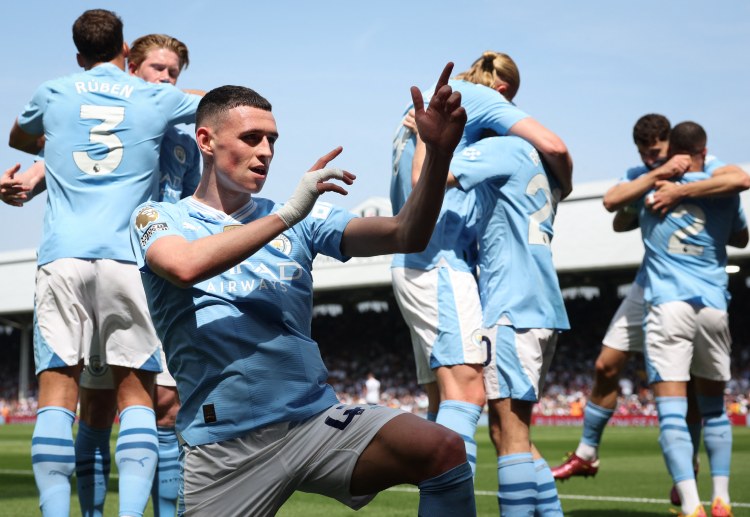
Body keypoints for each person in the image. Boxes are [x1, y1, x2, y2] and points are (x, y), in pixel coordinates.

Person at [130, 64, 477, 516]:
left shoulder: (303, 219)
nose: (266, 151)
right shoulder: (159, 218)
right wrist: (290, 212)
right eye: (251, 138)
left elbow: (406, 234)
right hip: (225, 446)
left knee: (443, 451)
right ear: (206, 141)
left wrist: (439, 154)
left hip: (314, 422)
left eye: (272, 140)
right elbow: (183, 266)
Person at [8, 9, 201, 517]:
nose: (165, 79)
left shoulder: (67, 95)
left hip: (137, 267)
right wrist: (34, 175)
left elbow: (39, 137)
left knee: (163, 406)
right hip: (128, 263)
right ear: (129, 62)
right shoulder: (154, 106)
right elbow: (73, 150)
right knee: (102, 403)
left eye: (174, 74)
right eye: (157, 69)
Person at [390, 51, 572, 476]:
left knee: (444, 402)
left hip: (412, 256)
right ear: (504, 90)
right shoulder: (480, 101)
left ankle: (438, 498)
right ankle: (451, 504)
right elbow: (554, 145)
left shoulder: (415, 115)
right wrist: (560, 184)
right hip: (440, 259)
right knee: (470, 396)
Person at [551, 115, 750, 493]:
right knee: (605, 364)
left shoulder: (705, 167)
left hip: (689, 289)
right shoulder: (643, 174)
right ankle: (587, 452)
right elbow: (616, 214)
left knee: (690, 385)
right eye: (643, 154)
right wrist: (649, 186)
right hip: (649, 283)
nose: (648, 160)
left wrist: (680, 190)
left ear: (673, 147)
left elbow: (740, 182)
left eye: (655, 153)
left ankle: (687, 468)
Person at [447, 135, 569, 516]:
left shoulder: (502, 148)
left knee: (509, 433)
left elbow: (433, 176)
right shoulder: (538, 164)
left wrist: (428, 138)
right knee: (512, 432)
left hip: (511, 308)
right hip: (539, 305)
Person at [637, 121, 747, 517]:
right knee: (714, 408)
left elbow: (615, 207)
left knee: (672, 411)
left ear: (671, 150)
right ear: (706, 148)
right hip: (714, 307)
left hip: (669, 306)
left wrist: (671, 190)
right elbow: (741, 237)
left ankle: (691, 504)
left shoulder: (652, 186)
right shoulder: (724, 190)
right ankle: (722, 500)